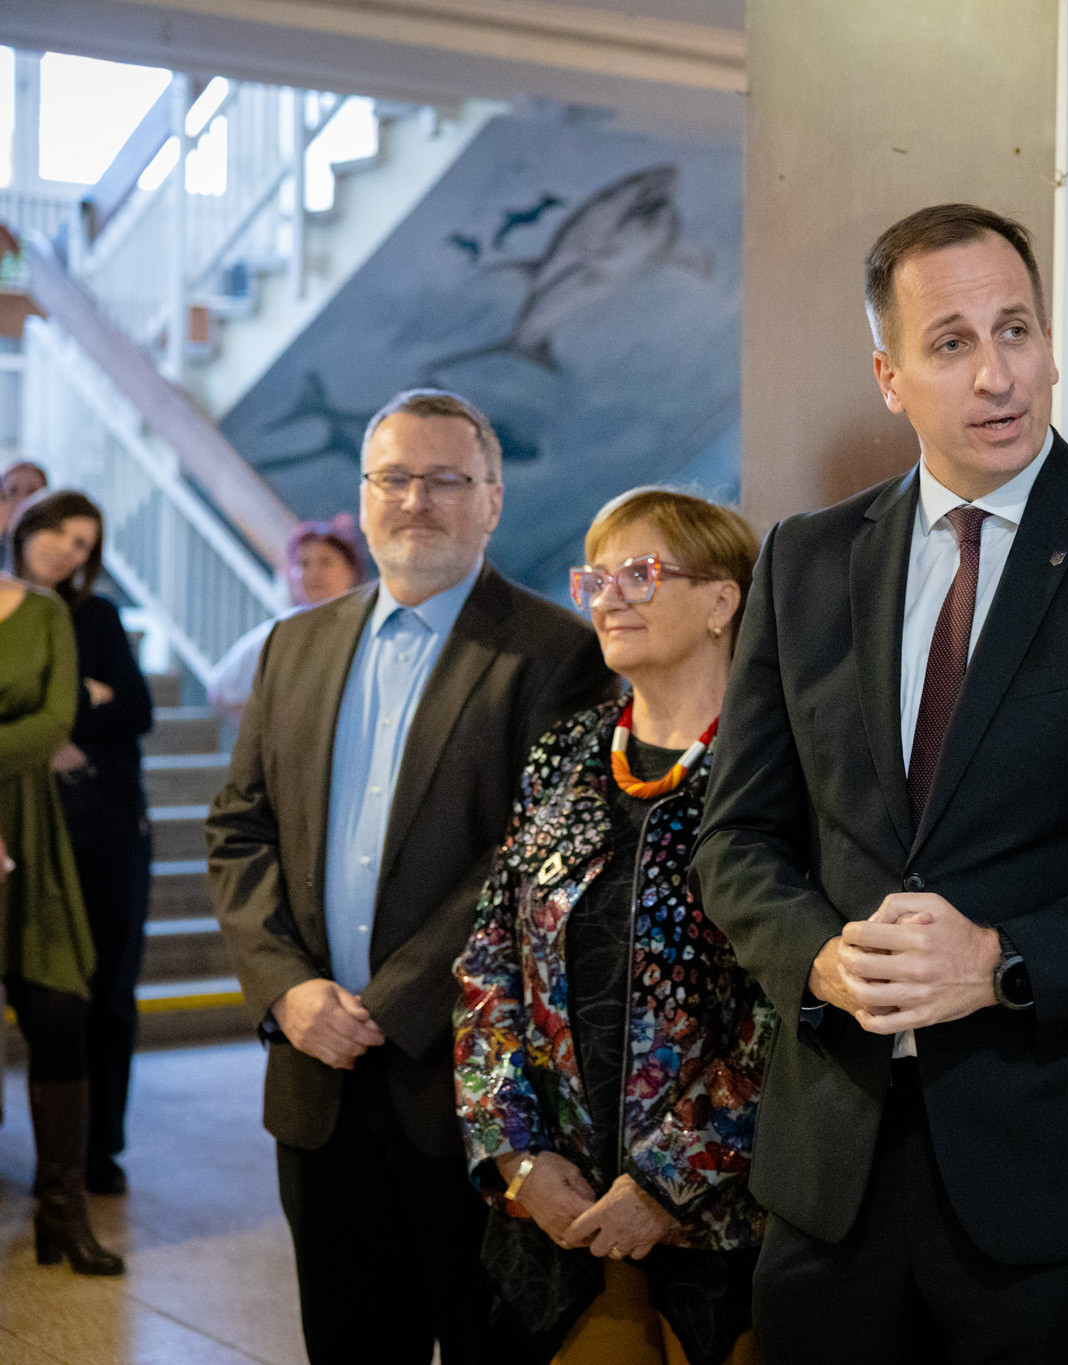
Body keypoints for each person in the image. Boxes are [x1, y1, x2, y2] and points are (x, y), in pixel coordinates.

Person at [692, 203, 1068, 1363]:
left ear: (1050, 345)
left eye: (1014, 330)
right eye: (951, 343)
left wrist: (1004, 962)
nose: (995, 373)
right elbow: (735, 839)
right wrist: (813, 957)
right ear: (889, 377)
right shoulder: (804, 560)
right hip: (833, 1181)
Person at [207, 388, 616, 1365]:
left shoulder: (557, 653)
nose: (416, 500)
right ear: (363, 496)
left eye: (445, 480)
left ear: (492, 500)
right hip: (315, 1080)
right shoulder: (295, 645)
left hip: (472, 1096)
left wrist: (390, 1004)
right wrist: (288, 990)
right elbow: (239, 828)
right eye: (393, 478)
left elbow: (530, 858)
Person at [455, 487, 771, 1365]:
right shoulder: (564, 751)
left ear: (722, 600)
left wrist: (668, 1180)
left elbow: (791, 1005)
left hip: (725, 1230)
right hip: (557, 1217)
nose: (609, 597)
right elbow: (489, 959)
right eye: (595, 578)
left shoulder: (777, 762)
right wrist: (514, 1151)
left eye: (641, 572)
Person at [13, 491, 155, 1196]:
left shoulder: (94, 616)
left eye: (84, 545)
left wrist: (65, 716)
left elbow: (137, 709)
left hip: (104, 821)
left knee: (107, 987)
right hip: (25, 822)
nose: (68, 551)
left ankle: (99, 1147)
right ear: (27, 526)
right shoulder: (10, 611)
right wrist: (77, 702)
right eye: (61, 533)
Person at [0, 551, 123, 1275]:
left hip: (31, 831)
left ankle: (62, 1212)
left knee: (59, 1010)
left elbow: (55, 721)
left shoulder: (44, 611)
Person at [207, 516, 366, 717]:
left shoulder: (370, 628)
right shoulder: (279, 633)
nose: (315, 572)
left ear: (349, 571)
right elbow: (220, 689)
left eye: (326, 561)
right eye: (304, 563)